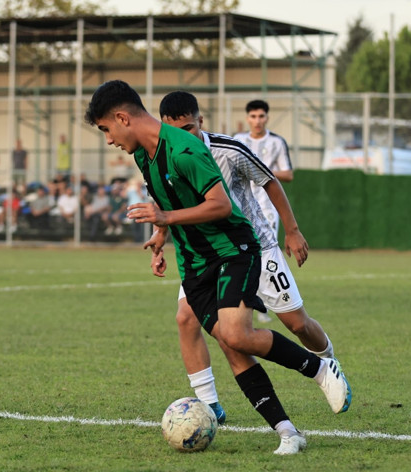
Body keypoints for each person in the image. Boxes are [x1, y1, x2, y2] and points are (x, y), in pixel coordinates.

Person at [84, 80, 350, 455]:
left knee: (240, 334)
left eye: (106, 129)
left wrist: (167, 216)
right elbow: (166, 200)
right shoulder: (143, 154)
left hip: (233, 250)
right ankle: (288, 432)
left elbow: (222, 205)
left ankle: (322, 369)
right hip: (193, 263)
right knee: (229, 342)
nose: (109, 139)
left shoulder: (186, 149)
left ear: (122, 118)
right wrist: (160, 236)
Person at [158, 90, 348, 427]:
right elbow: (170, 205)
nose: (181, 137)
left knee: (298, 324)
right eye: (173, 131)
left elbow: (271, 181)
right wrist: (160, 239)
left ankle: (328, 362)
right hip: (210, 257)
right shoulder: (165, 156)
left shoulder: (228, 150)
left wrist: (292, 230)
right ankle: (209, 406)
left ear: (201, 122)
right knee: (185, 318)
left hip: (256, 248)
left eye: (188, 128)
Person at [234, 100, 294, 323]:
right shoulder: (238, 140)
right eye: (253, 116)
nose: (257, 120)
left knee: (265, 250)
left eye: (261, 116)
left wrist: (260, 170)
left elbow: (288, 174)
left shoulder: (277, 142)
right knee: (243, 250)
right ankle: (250, 298)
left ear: (267, 118)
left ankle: (266, 300)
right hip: (242, 204)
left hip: (268, 206)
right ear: (247, 118)